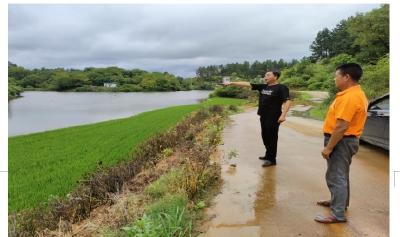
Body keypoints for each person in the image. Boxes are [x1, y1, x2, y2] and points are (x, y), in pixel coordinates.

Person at [314, 63, 368, 224]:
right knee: (341, 174)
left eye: (336, 76)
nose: (334, 79)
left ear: (347, 77)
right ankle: (339, 203)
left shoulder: (350, 97)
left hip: (342, 141)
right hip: (346, 141)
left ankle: (337, 214)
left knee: (336, 176)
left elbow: (342, 126)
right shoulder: (355, 94)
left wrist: (329, 147)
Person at [224, 71, 291, 167]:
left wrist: (283, 115)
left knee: (272, 137)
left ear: (275, 77)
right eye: (265, 75)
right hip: (263, 115)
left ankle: (272, 160)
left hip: (274, 116)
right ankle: (268, 155)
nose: (265, 77)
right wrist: (231, 83)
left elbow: (288, 101)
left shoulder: (281, 88)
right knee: (265, 136)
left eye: (268, 75)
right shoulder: (263, 87)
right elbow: (247, 84)